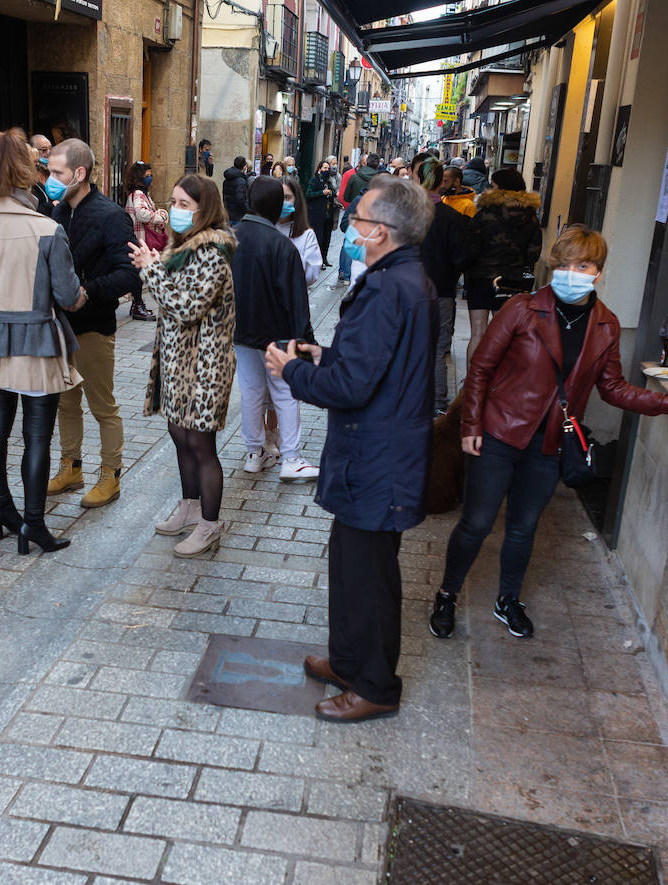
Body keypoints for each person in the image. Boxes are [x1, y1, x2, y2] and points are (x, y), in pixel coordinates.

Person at [432, 225, 668, 640]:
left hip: (549, 443)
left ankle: (508, 600)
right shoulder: (521, 309)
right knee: (477, 523)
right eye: (566, 264)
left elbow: (613, 388)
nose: (573, 271)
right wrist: (470, 427)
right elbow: (481, 369)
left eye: (584, 265)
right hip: (499, 435)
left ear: (598, 272)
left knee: (523, 527)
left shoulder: (606, 325)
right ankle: (447, 593)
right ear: (555, 266)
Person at [266, 175, 438, 722]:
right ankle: (347, 659)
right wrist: (325, 355)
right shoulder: (400, 277)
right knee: (349, 563)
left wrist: (291, 369)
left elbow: (352, 388)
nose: (351, 225)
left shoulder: (391, 287)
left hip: (378, 456)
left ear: (382, 231)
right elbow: (370, 364)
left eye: (358, 218)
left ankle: (375, 686)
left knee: (370, 579)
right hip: (376, 452)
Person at [0, 130, 85, 555]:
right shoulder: (46, 229)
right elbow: (68, 296)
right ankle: (33, 524)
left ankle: (2, 510)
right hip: (38, 341)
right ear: (29, 172)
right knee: (36, 438)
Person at [130, 174, 237, 557]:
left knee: (200, 443)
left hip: (206, 364)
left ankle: (209, 524)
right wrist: (159, 264)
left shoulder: (211, 253)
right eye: (172, 201)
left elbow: (186, 307)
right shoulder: (184, 247)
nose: (173, 211)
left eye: (183, 205)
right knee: (179, 434)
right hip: (180, 362)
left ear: (203, 211)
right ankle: (189, 506)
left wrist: (151, 270)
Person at [45, 138, 140, 508]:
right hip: (59, 327)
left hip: (94, 326)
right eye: (49, 172)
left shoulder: (110, 216)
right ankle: (71, 466)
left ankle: (111, 475)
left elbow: (130, 276)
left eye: (57, 173)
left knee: (102, 406)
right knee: (66, 404)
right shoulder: (56, 214)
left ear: (79, 174)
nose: (51, 179)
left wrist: (89, 290)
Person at [232, 176, 318, 481]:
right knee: (284, 392)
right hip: (276, 334)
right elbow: (296, 301)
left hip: (240, 331)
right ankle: (291, 458)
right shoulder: (281, 246)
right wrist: (304, 340)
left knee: (252, 390)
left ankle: (255, 453)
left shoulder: (231, 237)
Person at [464, 167, 542, 368]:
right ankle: (498, 384)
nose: (489, 189)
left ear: (501, 188)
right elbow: (533, 253)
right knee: (505, 335)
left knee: (478, 333)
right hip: (513, 281)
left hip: (480, 278)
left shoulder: (485, 214)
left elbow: (470, 248)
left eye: (493, 185)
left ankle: (471, 384)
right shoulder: (530, 217)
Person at [415, 155, 470, 412]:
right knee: (436, 350)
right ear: (441, 183)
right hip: (441, 291)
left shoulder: (404, 212)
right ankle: (437, 404)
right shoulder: (453, 217)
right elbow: (462, 258)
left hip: (405, 291)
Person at [122, 161, 163, 321]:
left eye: (150, 175)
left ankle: (137, 304)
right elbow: (141, 214)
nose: (150, 178)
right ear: (139, 178)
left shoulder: (141, 193)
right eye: (147, 176)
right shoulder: (139, 194)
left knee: (138, 273)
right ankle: (137, 305)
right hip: (140, 238)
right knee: (139, 273)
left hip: (140, 237)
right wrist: (160, 217)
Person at [277, 177, 322, 285]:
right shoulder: (266, 229)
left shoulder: (307, 235)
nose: (283, 202)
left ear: (296, 200)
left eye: (287, 197)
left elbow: (312, 276)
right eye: (278, 198)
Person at [306, 160, 335, 268]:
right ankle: (317, 260)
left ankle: (324, 258)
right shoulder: (315, 180)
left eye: (328, 168)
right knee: (318, 237)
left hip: (327, 213)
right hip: (316, 213)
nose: (326, 170)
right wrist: (321, 193)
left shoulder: (328, 181)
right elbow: (308, 194)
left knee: (326, 237)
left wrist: (332, 193)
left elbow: (332, 193)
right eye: (324, 168)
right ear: (319, 169)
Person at [222, 157, 250, 225]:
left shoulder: (227, 179)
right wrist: (247, 211)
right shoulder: (241, 181)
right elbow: (240, 199)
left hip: (228, 213)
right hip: (238, 216)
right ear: (244, 166)